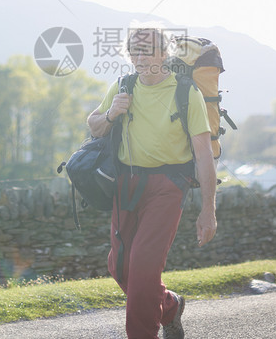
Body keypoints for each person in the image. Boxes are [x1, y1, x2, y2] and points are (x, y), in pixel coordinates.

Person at [88, 27, 217, 339]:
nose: (140, 56)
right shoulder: (123, 86)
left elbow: (204, 155)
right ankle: (169, 305)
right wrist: (110, 114)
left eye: (147, 50)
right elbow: (93, 124)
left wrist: (208, 211)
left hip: (168, 186)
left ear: (164, 53)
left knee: (144, 267)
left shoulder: (186, 92)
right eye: (134, 50)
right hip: (127, 184)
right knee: (121, 268)